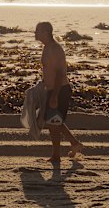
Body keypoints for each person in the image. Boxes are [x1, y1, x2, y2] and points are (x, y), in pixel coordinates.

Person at [35, 21, 83, 162]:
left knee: (53, 122)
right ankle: (73, 144)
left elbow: (60, 73)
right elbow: (49, 71)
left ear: (45, 32)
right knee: (53, 122)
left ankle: (60, 153)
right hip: (52, 89)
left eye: (37, 31)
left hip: (60, 90)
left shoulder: (55, 49)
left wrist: (54, 95)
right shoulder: (47, 47)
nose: (35, 34)